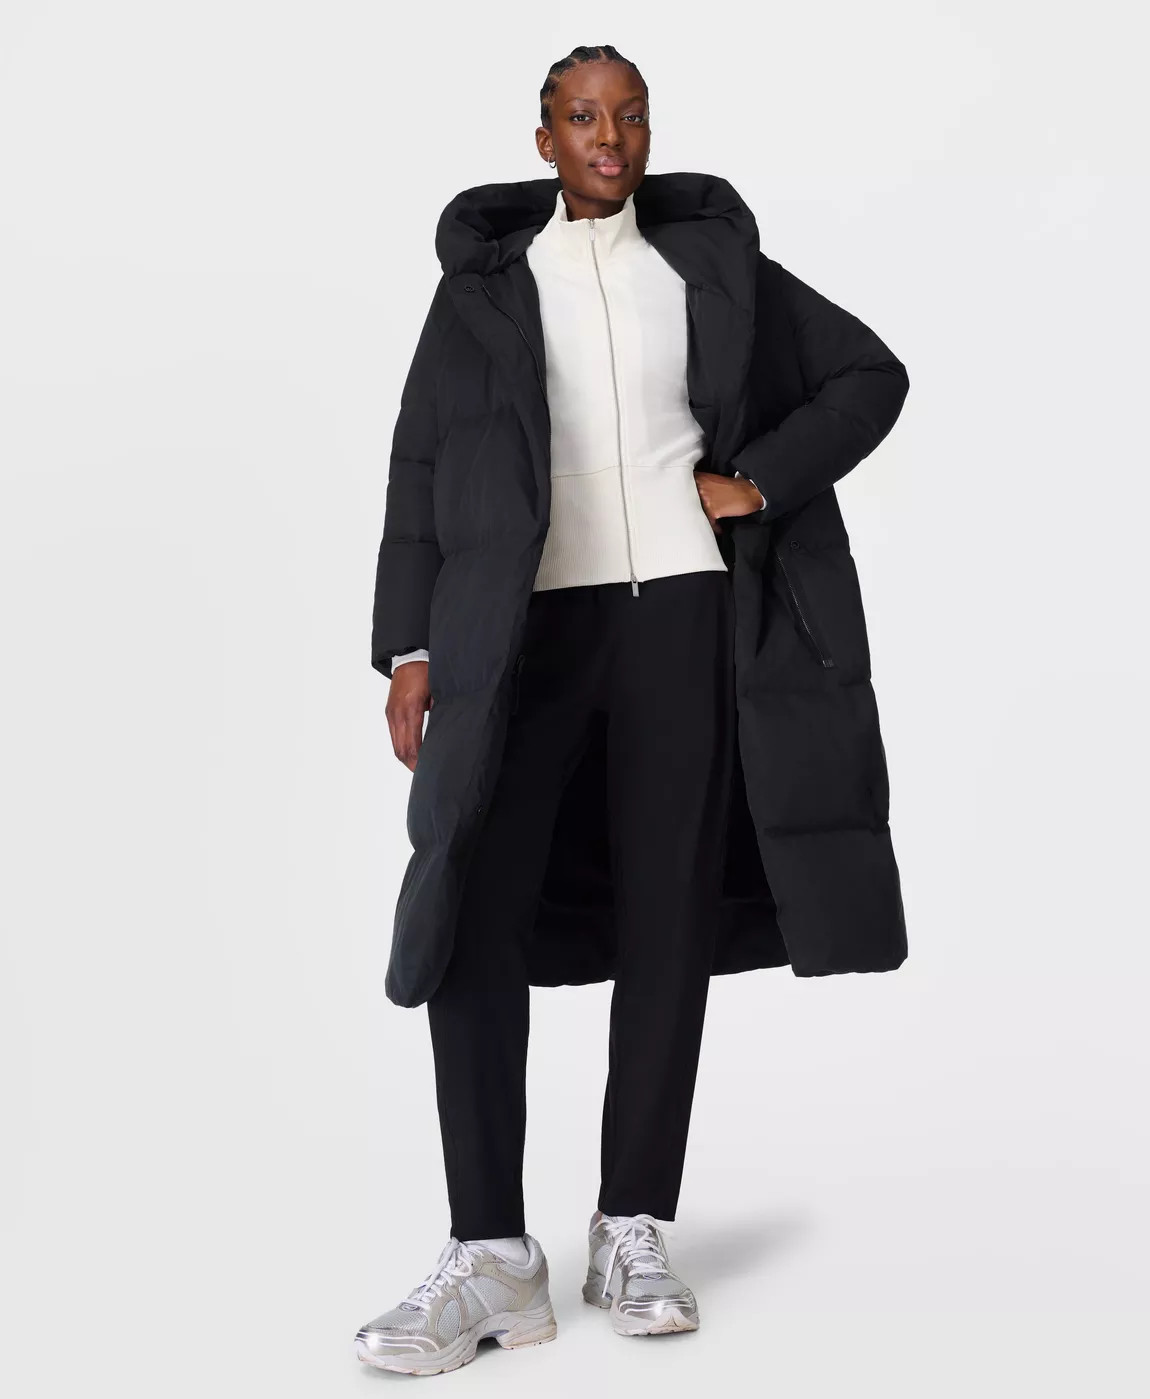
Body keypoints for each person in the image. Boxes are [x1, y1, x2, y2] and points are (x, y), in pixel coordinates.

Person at [356, 45, 910, 1377]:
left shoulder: (709, 267)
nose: (610, 138)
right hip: (524, 631)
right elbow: (421, 462)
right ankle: (492, 1254)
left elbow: (868, 375)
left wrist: (756, 481)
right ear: (544, 137)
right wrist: (410, 647)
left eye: (630, 117)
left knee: (669, 913)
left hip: (680, 620)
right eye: (584, 117)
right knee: (472, 914)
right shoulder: (485, 287)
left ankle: (633, 1225)